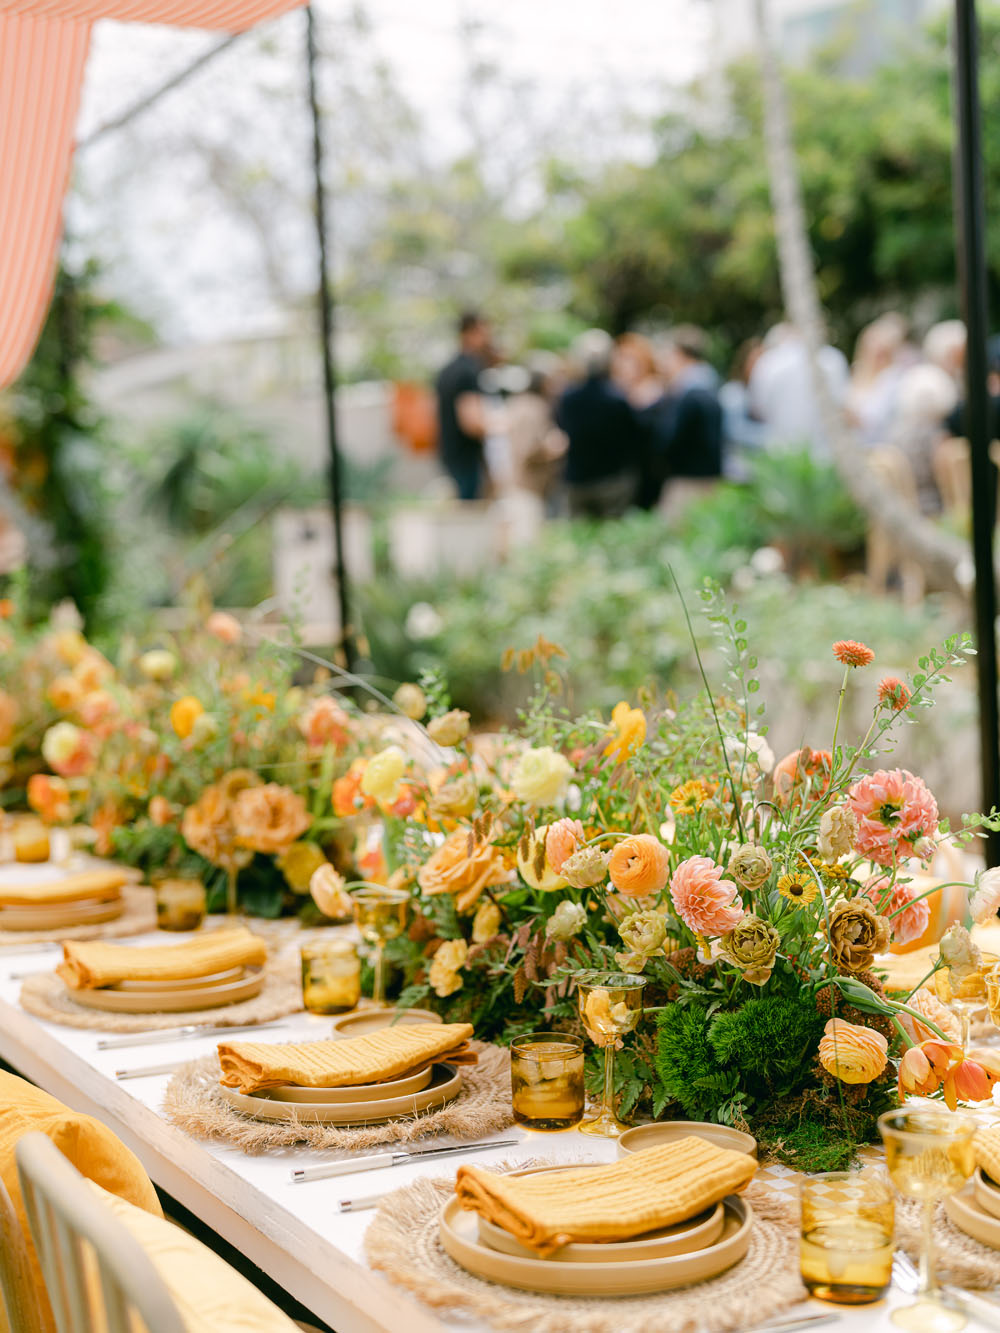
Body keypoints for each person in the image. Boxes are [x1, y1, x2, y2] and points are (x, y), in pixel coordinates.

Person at [556, 329, 642, 518]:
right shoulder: (618, 398)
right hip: (612, 479)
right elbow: (633, 436)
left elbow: (561, 427)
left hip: (577, 478)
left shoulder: (568, 397)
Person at [641, 326, 723, 513]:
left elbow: (668, 439)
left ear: (680, 354)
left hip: (688, 481)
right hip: (708, 477)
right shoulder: (710, 384)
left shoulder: (688, 393)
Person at [747, 323, 849, 457]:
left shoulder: (769, 362)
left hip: (779, 452)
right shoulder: (833, 359)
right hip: (824, 453)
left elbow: (758, 408)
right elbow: (842, 405)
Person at [434, 311, 491, 501]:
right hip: (466, 457)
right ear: (471, 332)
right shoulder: (467, 370)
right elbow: (472, 423)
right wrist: (502, 425)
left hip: (449, 452)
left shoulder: (446, 370)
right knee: (469, 517)